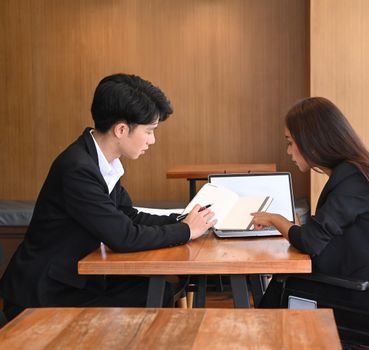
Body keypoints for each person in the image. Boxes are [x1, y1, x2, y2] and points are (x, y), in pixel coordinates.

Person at [0, 73, 216, 320]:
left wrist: (182, 220)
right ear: (121, 129)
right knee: (153, 294)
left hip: (73, 281)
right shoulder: (78, 169)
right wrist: (186, 231)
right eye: (149, 131)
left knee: (158, 289)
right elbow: (124, 236)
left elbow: (128, 215)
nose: (152, 140)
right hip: (44, 293)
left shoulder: (98, 158)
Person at [251, 97, 369, 310]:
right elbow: (323, 234)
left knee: (283, 284)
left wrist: (275, 219)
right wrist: (293, 227)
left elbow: (309, 241)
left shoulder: (353, 179)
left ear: (312, 140)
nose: (288, 152)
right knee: (283, 282)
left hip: (366, 298)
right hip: (363, 284)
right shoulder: (355, 173)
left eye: (290, 142)